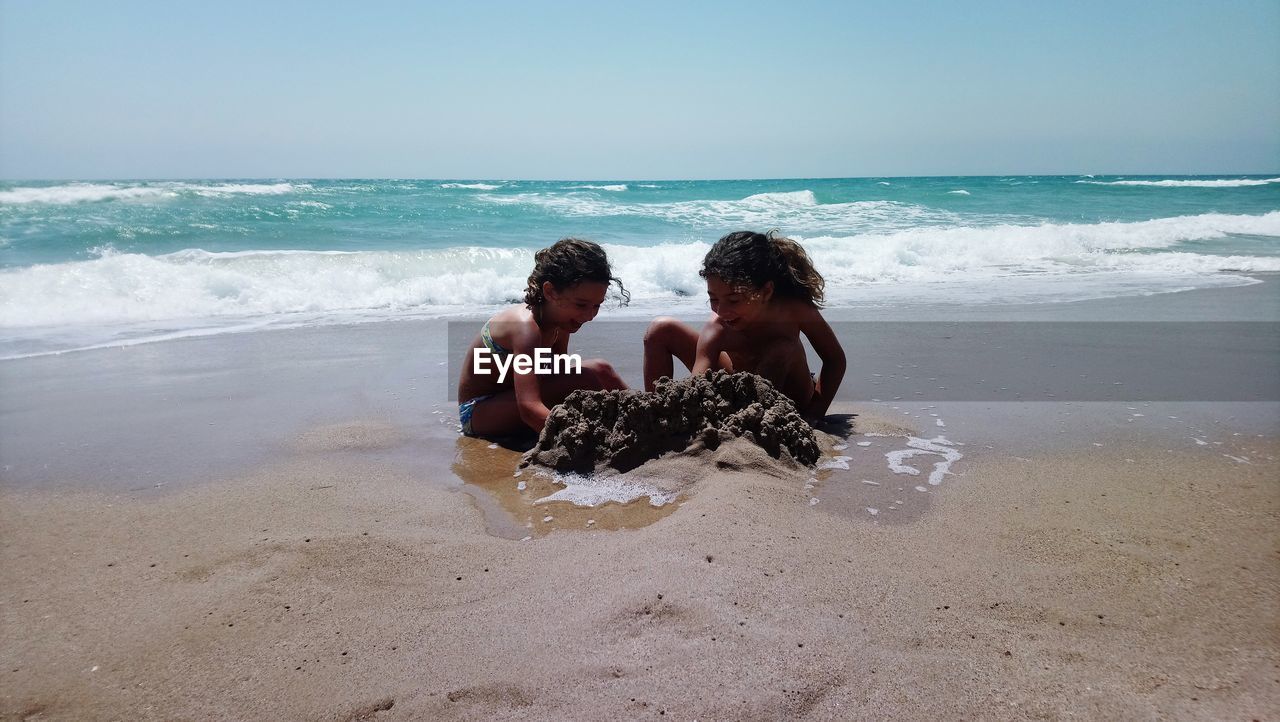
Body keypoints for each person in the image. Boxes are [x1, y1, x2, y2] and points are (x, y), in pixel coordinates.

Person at [643, 230, 845, 421]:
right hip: (738, 392)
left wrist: (816, 413)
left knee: (782, 347)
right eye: (713, 298)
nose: (721, 311)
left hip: (791, 398)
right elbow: (696, 383)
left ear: (766, 291)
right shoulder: (718, 327)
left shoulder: (793, 309)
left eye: (734, 300)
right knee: (660, 329)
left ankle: (758, 421)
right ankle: (657, 415)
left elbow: (834, 359)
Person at [457, 238, 628, 436]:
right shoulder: (526, 328)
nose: (590, 316)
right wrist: (577, 440)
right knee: (586, 377)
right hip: (478, 413)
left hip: (512, 399)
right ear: (550, 291)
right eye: (581, 305)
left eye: (596, 305)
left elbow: (559, 373)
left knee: (601, 369)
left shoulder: (561, 323)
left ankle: (648, 414)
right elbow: (529, 409)